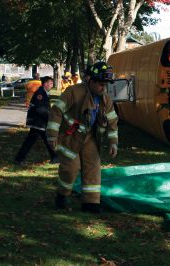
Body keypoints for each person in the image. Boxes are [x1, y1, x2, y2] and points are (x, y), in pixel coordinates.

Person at [47, 62, 118, 213]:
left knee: (93, 168)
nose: (103, 88)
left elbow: (112, 121)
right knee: (71, 168)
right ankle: (62, 195)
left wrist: (113, 142)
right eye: (100, 84)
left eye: (105, 84)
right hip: (70, 137)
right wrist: (52, 135)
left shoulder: (105, 99)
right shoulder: (74, 92)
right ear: (90, 80)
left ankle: (91, 203)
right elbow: (56, 111)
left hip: (91, 137)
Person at [15, 76, 58, 165]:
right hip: (38, 122)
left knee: (45, 139)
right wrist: (49, 116)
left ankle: (55, 157)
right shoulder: (40, 93)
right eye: (51, 83)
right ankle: (19, 159)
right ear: (46, 84)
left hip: (39, 122)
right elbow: (40, 109)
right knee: (31, 141)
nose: (52, 85)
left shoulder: (43, 92)